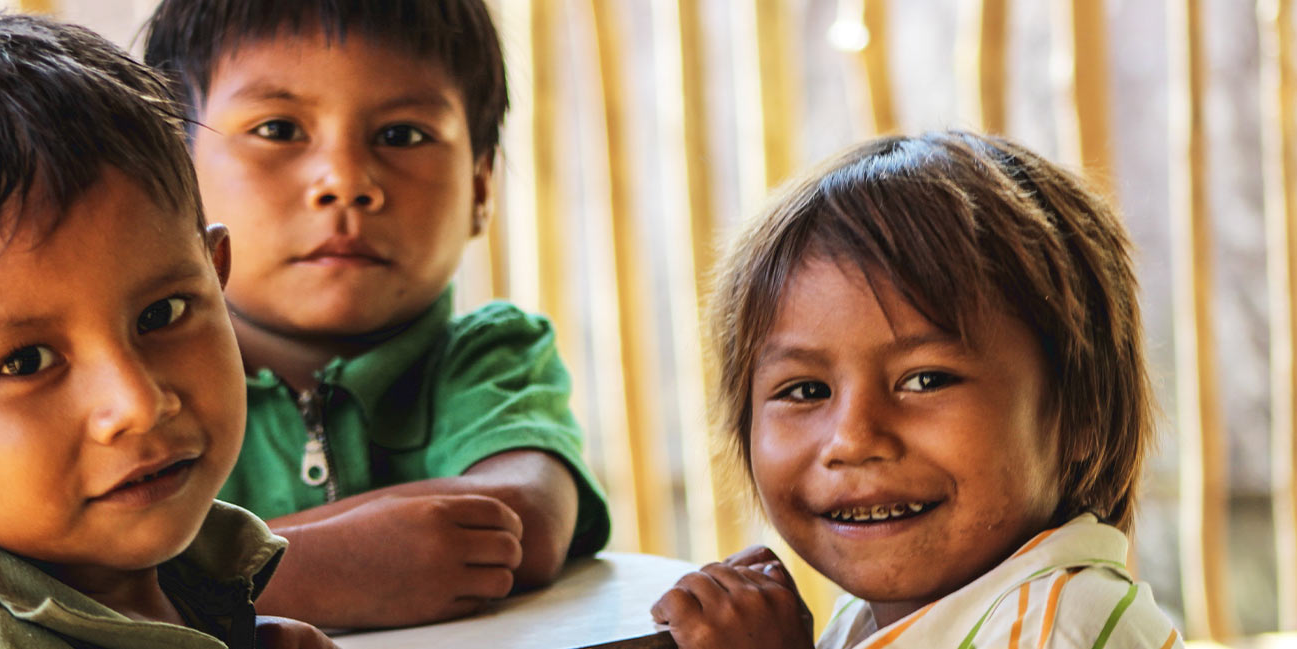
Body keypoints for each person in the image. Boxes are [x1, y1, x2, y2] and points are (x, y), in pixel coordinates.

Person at [0, 14, 333, 649]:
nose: (137, 404)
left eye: (160, 315)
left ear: (217, 279)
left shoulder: (125, 572)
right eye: (26, 362)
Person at [141, 0, 612, 629]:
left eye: (402, 135)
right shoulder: (136, 386)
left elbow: (529, 512)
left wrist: (184, 582)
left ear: (480, 188)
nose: (344, 179)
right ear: (174, 174)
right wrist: (303, 568)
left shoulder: (487, 356)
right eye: (278, 129)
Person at [651, 131, 1183, 648]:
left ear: (1081, 413)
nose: (853, 438)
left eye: (926, 380)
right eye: (806, 390)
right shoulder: (875, 619)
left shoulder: (1057, 625)